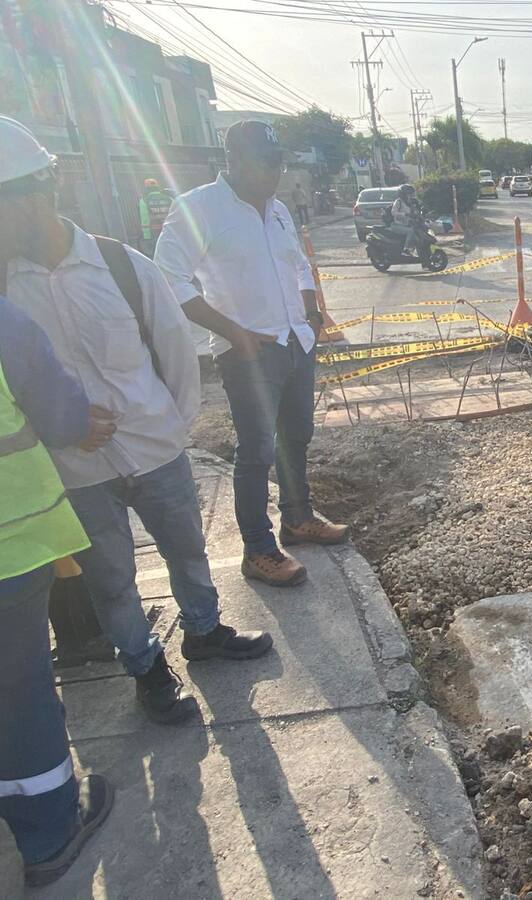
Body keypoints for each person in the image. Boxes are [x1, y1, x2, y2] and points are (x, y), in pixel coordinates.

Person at [0, 115, 273, 725]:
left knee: (188, 551)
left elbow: (177, 353)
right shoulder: (5, 291)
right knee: (112, 580)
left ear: (40, 192)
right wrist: (64, 426)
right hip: (76, 467)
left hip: (155, 449)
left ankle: (204, 632)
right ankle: (147, 669)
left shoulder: (120, 267)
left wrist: (169, 427)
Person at [155, 120, 348, 588]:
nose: (276, 171)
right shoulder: (198, 209)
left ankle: (298, 519)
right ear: (234, 161)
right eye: (267, 162)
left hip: (294, 343)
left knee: (296, 435)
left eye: (280, 161)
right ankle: (258, 550)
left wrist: (310, 311)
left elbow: (299, 263)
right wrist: (231, 331)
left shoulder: (279, 210)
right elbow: (166, 275)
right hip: (248, 353)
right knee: (256, 451)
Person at [0, 295, 115, 887]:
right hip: (9, 546)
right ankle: (49, 830)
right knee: (19, 693)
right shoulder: (5, 320)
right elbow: (62, 413)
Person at [138, 178, 172, 255]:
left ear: (147, 189)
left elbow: (145, 220)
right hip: (169, 229)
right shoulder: (169, 199)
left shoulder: (144, 201)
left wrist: (147, 236)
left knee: (158, 254)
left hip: (155, 232)